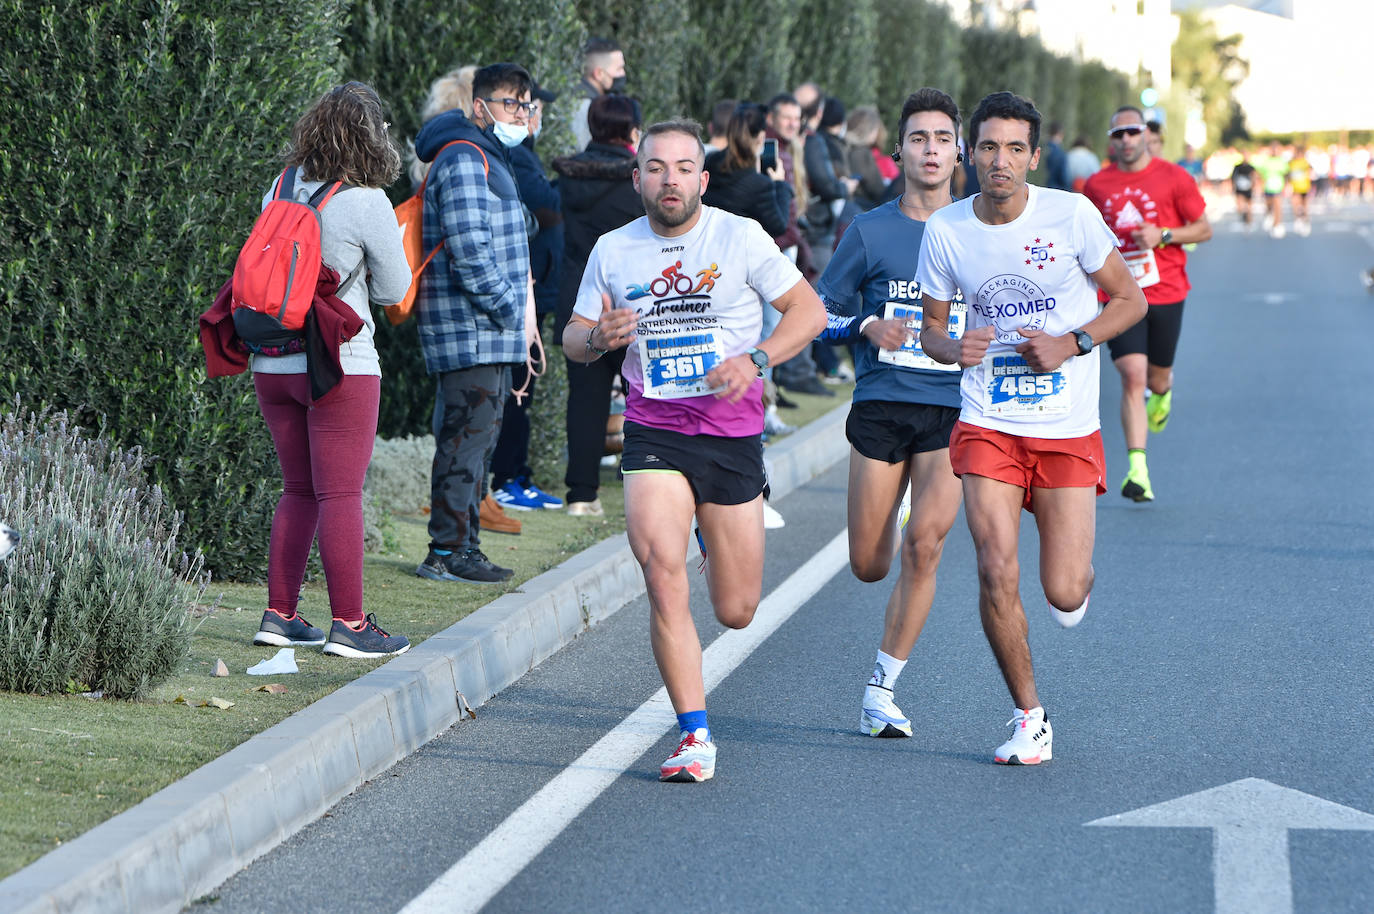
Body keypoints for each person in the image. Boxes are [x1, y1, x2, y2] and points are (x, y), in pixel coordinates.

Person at [562, 120, 827, 782]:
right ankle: (693, 735)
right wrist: (598, 339)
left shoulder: (738, 236)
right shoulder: (613, 249)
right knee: (659, 568)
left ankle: (716, 532)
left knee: (736, 611)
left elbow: (808, 312)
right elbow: (573, 333)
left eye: (683, 168)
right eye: (656, 168)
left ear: (702, 181)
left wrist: (756, 359)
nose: (669, 179)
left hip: (730, 431)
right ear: (638, 178)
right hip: (654, 426)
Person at [916, 91, 1146, 764]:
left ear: (1034, 157)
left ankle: (1073, 578)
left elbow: (1128, 299)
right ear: (969, 153)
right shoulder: (948, 231)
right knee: (994, 567)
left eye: (1015, 148)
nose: (1000, 161)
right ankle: (1029, 715)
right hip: (988, 419)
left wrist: (1073, 343)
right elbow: (933, 329)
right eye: (988, 146)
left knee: (1064, 589)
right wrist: (948, 346)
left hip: (1067, 426)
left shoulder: (1071, 215)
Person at [815, 88, 966, 738]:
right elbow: (818, 314)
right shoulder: (870, 230)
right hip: (881, 405)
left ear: (959, 150)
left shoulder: (981, 231)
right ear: (898, 150)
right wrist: (867, 323)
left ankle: (882, 688)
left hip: (955, 409)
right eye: (919, 139)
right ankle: (897, 512)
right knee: (870, 564)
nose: (930, 150)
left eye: (941, 138)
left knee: (925, 546)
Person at [248, 82, 413, 658]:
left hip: (272, 360)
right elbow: (394, 292)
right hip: (339, 364)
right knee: (341, 493)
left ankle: (280, 614)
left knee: (298, 488)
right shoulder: (368, 202)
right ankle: (350, 624)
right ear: (371, 136)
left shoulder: (281, 186)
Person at [412, 62, 533, 585]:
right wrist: (510, 308)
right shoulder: (463, 157)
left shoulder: (484, 152)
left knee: (477, 444)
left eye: (526, 105)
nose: (520, 114)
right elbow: (470, 250)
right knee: (464, 442)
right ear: (479, 106)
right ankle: (445, 552)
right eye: (510, 103)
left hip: (486, 330)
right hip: (471, 329)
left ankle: (464, 546)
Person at [1084, 106, 1211, 503]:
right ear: (1111, 139)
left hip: (1167, 291)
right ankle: (1138, 470)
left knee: (1155, 378)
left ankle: (1163, 393)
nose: (1125, 140)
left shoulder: (1174, 176)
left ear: (1145, 134)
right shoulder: (1096, 185)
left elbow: (1204, 229)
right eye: (1118, 133)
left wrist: (1166, 234)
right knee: (1132, 376)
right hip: (1119, 295)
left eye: (1132, 132)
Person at [552, 94, 646, 517]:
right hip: (634, 301)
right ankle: (645, 481)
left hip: (579, 299)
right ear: (632, 132)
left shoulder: (566, 179)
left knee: (584, 401)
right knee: (642, 395)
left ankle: (581, 493)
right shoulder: (636, 183)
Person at [490, 80, 566, 514]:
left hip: (537, 288)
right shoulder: (516, 155)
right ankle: (507, 479)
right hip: (524, 290)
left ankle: (518, 476)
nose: (533, 117)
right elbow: (545, 202)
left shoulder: (525, 154)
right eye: (527, 107)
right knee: (517, 390)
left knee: (525, 390)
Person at [572, 37, 626, 150]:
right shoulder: (584, 107)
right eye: (619, 69)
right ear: (599, 74)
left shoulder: (591, 102)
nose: (623, 73)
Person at [1231, 151, 1258, 229]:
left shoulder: (1251, 167)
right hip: (1240, 188)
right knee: (1240, 204)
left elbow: (1254, 177)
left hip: (1248, 188)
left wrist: (1254, 186)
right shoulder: (1237, 167)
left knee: (1249, 205)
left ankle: (1249, 219)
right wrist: (1233, 186)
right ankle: (1243, 214)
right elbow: (1233, 177)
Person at [1044, 121, 1070, 190]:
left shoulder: (1040, 149)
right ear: (1061, 134)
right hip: (1054, 190)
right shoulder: (1060, 153)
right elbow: (1063, 178)